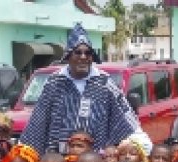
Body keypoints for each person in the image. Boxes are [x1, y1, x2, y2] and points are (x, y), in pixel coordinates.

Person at [21, 23, 146, 154]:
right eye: (78, 52)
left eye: (88, 53)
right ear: (69, 55)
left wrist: (140, 142)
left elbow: (125, 117)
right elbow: (38, 122)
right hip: (59, 161)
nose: (83, 57)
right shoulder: (55, 83)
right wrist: (25, 152)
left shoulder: (104, 83)